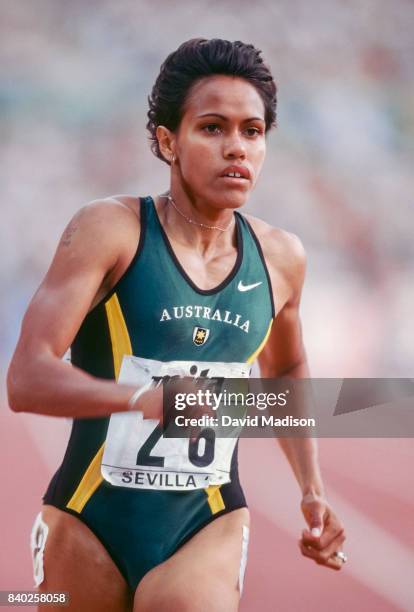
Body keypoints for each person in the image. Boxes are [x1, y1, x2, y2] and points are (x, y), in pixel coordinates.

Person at [7, 38, 346, 612]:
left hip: (205, 520)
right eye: (212, 128)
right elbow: (26, 380)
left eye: (252, 131)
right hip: (87, 518)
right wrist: (143, 398)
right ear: (168, 141)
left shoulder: (282, 257)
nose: (236, 147)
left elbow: (286, 365)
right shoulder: (109, 229)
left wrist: (311, 488)